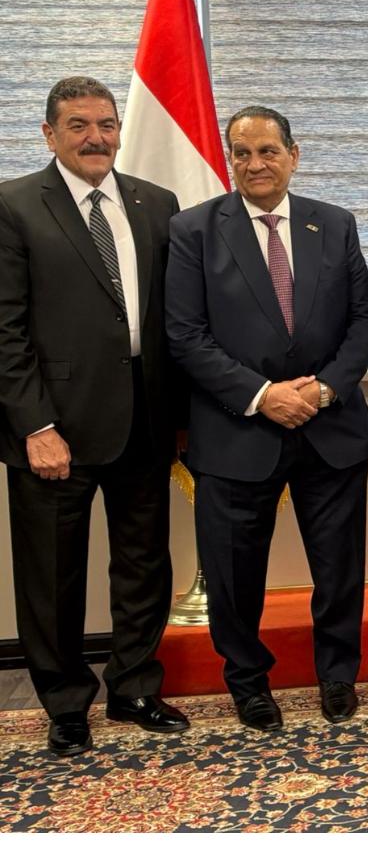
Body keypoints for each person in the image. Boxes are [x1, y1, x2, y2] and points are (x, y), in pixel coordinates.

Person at [165, 106, 368, 732]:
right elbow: (185, 335)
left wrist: (325, 390)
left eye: (268, 151)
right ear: (229, 159)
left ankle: (337, 675)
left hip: (330, 429)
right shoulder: (193, 231)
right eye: (242, 153)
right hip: (237, 432)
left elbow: (364, 320)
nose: (255, 163)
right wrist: (263, 395)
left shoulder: (334, 224)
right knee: (234, 575)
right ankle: (248, 683)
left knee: (339, 568)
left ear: (294, 154)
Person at [0, 76, 188, 756]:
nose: (96, 137)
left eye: (106, 123)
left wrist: (182, 415)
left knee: (144, 564)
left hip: (145, 414)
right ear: (49, 134)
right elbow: (4, 330)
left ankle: (134, 686)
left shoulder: (155, 202)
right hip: (56, 425)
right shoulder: (14, 205)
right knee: (52, 575)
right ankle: (65, 702)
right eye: (78, 125)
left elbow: (172, 317)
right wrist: (34, 426)